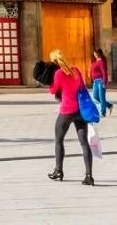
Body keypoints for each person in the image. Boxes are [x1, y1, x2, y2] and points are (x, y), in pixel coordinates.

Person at [48, 50, 94, 185]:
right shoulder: (76, 71)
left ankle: (59, 171)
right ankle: (89, 176)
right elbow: (80, 86)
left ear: (54, 62)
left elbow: (52, 90)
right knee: (84, 143)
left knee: (59, 140)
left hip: (67, 111)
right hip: (80, 112)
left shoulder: (58, 74)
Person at [90, 48, 113, 117]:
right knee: (95, 96)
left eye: (95, 53)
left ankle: (103, 112)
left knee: (102, 97)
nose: (94, 55)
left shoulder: (101, 62)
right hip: (95, 82)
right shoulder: (95, 62)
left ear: (98, 54)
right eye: (94, 54)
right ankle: (109, 105)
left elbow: (104, 73)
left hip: (100, 81)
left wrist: (104, 83)